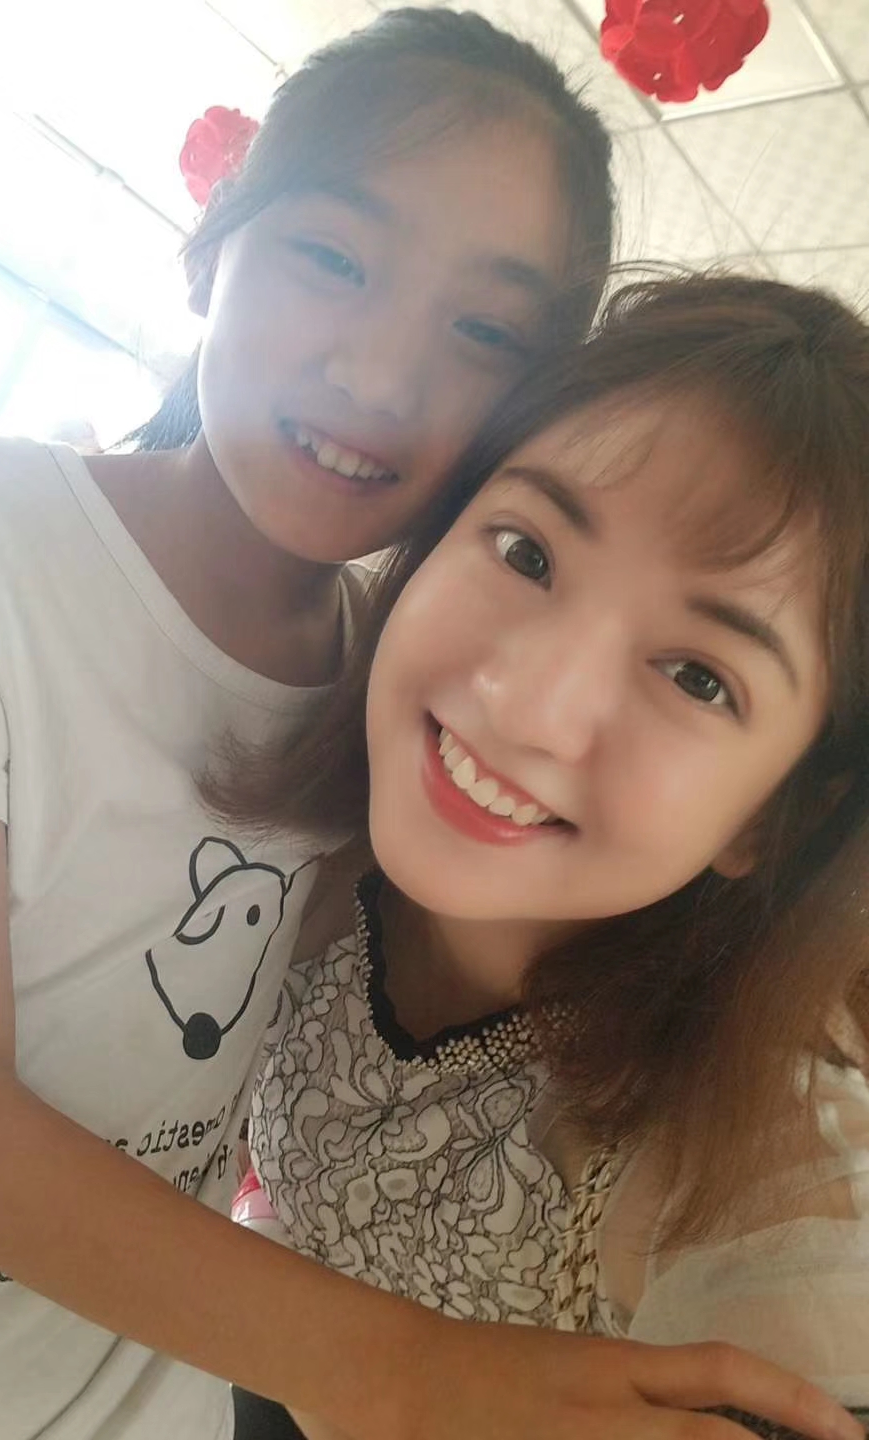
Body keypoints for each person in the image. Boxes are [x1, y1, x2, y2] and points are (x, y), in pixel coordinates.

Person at [0, 4, 852, 1434]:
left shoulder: (396, 693)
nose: (378, 376)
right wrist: (403, 1367)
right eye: (335, 259)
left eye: (484, 332)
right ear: (212, 240)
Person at [223, 275, 869, 1440]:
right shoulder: (304, 854)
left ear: (771, 819)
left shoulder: (751, 1158)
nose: (528, 705)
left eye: (698, 678)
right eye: (525, 553)